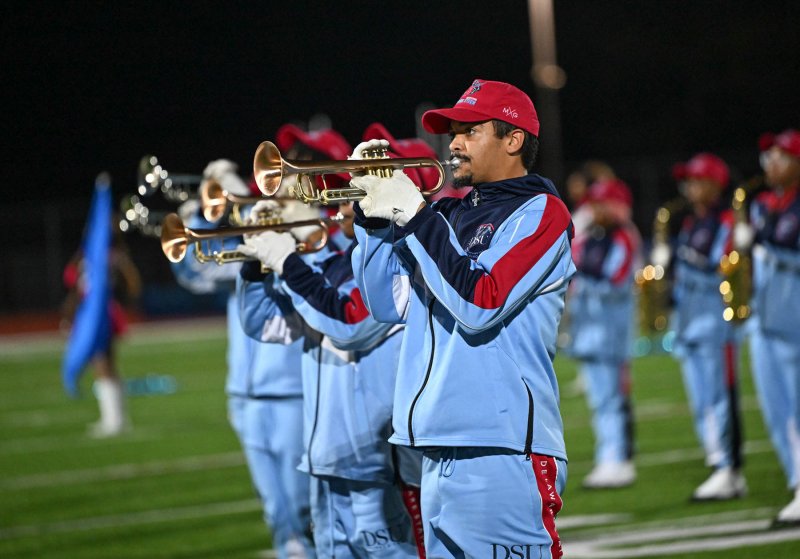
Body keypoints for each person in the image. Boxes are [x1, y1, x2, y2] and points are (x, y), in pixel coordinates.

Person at [350, 79, 575, 558]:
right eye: (453, 132)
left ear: (513, 140)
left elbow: (481, 303)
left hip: (503, 448)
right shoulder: (448, 213)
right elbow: (387, 305)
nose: (453, 144)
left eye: (469, 131)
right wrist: (371, 225)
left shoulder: (541, 213)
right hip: (435, 444)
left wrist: (415, 214)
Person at [238, 124, 423, 558]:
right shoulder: (340, 263)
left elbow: (350, 324)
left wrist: (287, 261)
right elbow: (265, 325)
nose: (350, 195)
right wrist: (255, 261)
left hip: (377, 462)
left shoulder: (403, 263)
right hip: (327, 458)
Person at [171, 157, 315, 559]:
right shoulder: (247, 240)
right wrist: (201, 217)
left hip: (292, 395)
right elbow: (195, 272)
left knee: (303, 509)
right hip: (245, 396)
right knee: (275, 510)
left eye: (285, 180)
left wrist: (242, 202)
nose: (275, 188)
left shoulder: (311, 241)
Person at [667, 153, 746, 501]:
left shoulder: (726, 220)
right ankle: (718, 463)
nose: (690, 187)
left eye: (697, 180)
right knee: (701, 399)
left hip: (717, 320)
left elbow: (720, 265)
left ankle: (730, 468)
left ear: (715, 184)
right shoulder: (689, 223)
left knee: (721, 397)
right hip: (689, 320)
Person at [565, 178, 640, 489]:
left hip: (611, 334)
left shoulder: (624, 238)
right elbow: (568, 267)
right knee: (600, 401)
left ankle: (618, 458)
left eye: (601, 203)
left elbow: (616, 280)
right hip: (587, 333)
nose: (594, 210)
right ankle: (608, 456)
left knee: (613, 400)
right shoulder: (588, 238)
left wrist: (582, 283)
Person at [745, 129, 800, 525]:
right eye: (768, 158)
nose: (771, 165)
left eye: (781, 157)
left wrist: (771, 249)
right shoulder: (765, 204)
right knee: (776, 408)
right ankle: (796, 479)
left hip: (794, 319)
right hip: (765, 320)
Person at [62, 220, 141, 438]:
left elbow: (133, 282)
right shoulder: (87, 255)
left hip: (102, 313)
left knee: (104, 363)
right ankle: (114, 419)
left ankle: (114, 420)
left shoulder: (112, 255)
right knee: (102, 365)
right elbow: (72, 280)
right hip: (87, 313)